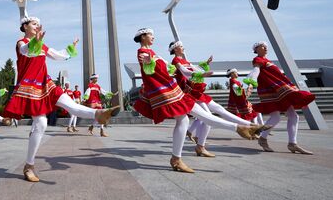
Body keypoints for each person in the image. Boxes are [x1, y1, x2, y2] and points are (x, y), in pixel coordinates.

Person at [133, 28, 267, 173]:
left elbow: (172, 70)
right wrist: (148, 63)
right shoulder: (143, 53)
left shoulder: (154, 54)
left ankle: (178, 158)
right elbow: (150, 69)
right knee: (203, 116)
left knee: (189, 119)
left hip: (173, 91)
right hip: (168, 92)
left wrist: (202, 69)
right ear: (143, 37)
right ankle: (241, 127)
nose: (153, 37)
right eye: (150, 35)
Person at [3, 16, 120, 182]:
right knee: (41, 123)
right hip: (30, 87)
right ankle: (29, 165)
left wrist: (71, 47)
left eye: (38, 24)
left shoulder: (42, 45)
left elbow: (57, 55)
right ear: (25, 26)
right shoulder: (21, 42)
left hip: (46, 83)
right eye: (34, 24)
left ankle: (100, 113)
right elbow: (25, 51)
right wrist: (34, 42)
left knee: (71, 105)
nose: (37, 26)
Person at [170, 40, 257, 158]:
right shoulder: (176, 60)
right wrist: (200, 74)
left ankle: (250, 125)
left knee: (217, 110)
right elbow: (186, 73)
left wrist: (205, 64)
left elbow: (195, 69)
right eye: (180, 46)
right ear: (175, 49)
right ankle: (200, 146)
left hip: (195, 92)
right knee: (208, 118)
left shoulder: (185, 61)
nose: (183, 47)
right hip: (188, 93)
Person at [249, 41, 315, 154]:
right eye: (262, 46)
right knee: (276, 117)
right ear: (256, 49)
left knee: (293, 116)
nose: (265, 48)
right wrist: (251, 83)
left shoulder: (269, 61)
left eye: (266, 46)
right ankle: (263, 139)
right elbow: (256, 70)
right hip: (271, 92)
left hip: (280, 91)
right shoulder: (258, 59)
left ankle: (292, 144)